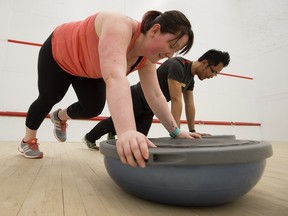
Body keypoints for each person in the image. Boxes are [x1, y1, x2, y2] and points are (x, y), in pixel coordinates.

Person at [18, 10, 199, 168]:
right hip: (59, 54)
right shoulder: (119, 25)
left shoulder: (146, 59)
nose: (170, 55)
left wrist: (175, 132)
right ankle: (28, 141)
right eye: (172, 45)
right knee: (49, 98)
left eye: (176, 51)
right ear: (155, 30)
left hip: (88, 69)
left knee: (93, 107)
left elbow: (154, 94)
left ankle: (59, 117)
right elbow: (115, 78)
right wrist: (127, 131)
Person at [83, 49, 230, 150]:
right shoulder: (177, 65)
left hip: (150, 107)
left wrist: (192, 130)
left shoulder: (190, 79)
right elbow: (176, 99)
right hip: (137, 97)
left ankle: (113, 133)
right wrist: (177, 132)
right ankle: (89, 137)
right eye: (214, 72)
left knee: (140, 138)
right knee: (113, 121)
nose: (212, 76)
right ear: (205, 63)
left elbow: (189, 104)